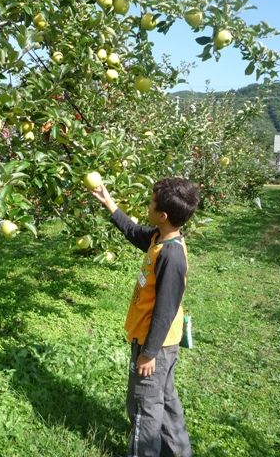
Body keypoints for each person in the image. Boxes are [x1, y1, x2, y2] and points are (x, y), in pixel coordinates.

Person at [90, 177, 198, 457]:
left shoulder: (172, 257)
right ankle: (178, 451)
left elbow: (165, 310)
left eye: (151, 203)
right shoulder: (159, 238)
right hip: (160, 343)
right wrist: (109, 203)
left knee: (144, 405)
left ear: (162, 215)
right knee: (165, 398)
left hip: (155, 345)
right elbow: (133, 231)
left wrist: (148, 353)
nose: (147, 205)